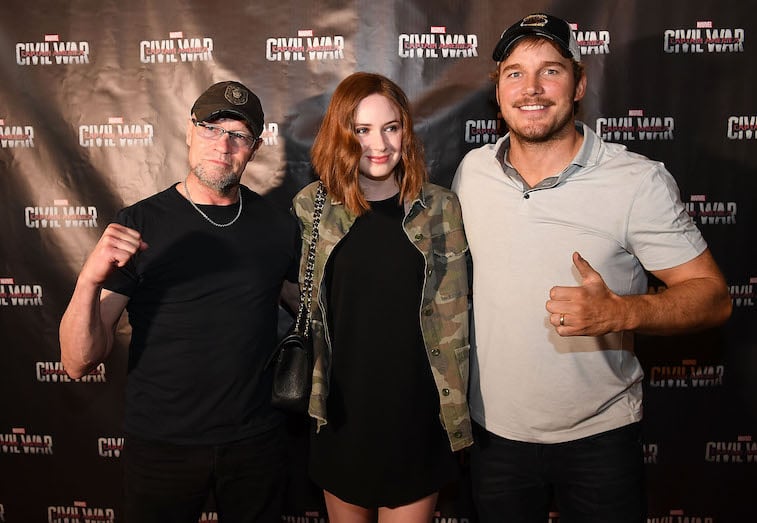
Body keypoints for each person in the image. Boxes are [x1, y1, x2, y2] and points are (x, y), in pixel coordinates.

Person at [452, 13, 732, 523]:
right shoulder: (473, 172)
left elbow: (712, 296)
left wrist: (621, 312)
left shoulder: (636, 181)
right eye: (514, 73)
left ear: (579, 84)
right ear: (498, 91)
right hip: (494, 437)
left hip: (600, 439)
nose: (531, 88)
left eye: (551, 71)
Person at [59, 80, 300, 523]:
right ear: (189, 131)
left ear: (254, 147)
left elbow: (311, 315)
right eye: (211, 128)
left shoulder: (278, 227)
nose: (223, 144)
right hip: (162, 447)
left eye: (239, 135)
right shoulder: (141, 222)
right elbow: (78, 362)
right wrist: (88, 281)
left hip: (255, 443)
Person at [292, 72, 473, 522]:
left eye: (391, 127)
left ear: (405, 132)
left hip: (417, 414)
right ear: (341, 133)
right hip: (341, 413)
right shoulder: (311, 206)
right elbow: (300, 296)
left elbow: (454, 309)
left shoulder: (440, 208)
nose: (379, 143)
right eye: (362, 129)